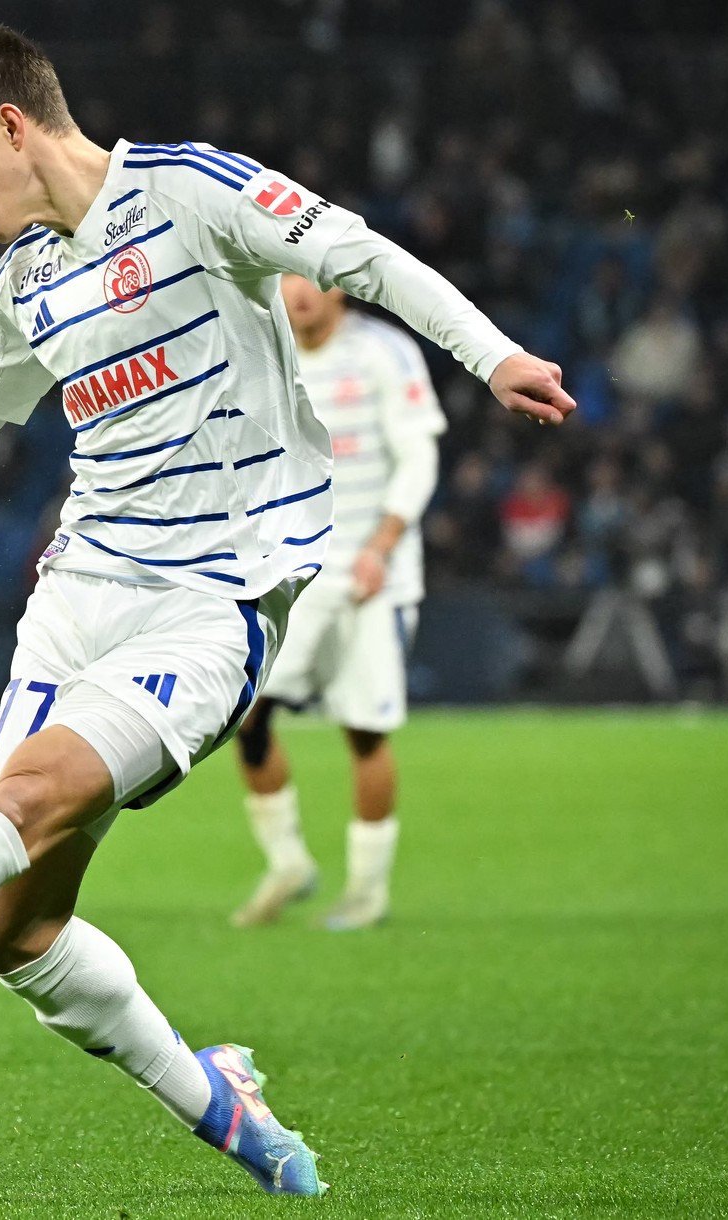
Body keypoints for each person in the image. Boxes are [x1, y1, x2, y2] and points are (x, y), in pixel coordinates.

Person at [0, 20, 574, 1197]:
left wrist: (489, 353)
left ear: (9, 123)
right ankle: (222, 1104)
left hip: (214, 600)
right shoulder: (26, 280)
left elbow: (359, 257)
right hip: (78, 596)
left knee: (25, 802)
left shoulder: (193, 193)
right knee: (13, 933)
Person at [231, 276, 446, 932]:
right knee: (244, 712)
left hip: (367, 573)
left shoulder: (384, 351)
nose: (297, 295)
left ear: (340, 290)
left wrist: (382, 545)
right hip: (290, 571)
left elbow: (418, 458)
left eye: (311, 281)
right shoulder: (261, 351)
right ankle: (289, 861)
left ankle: (367, 891)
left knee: (364, 728)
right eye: (285, 281)